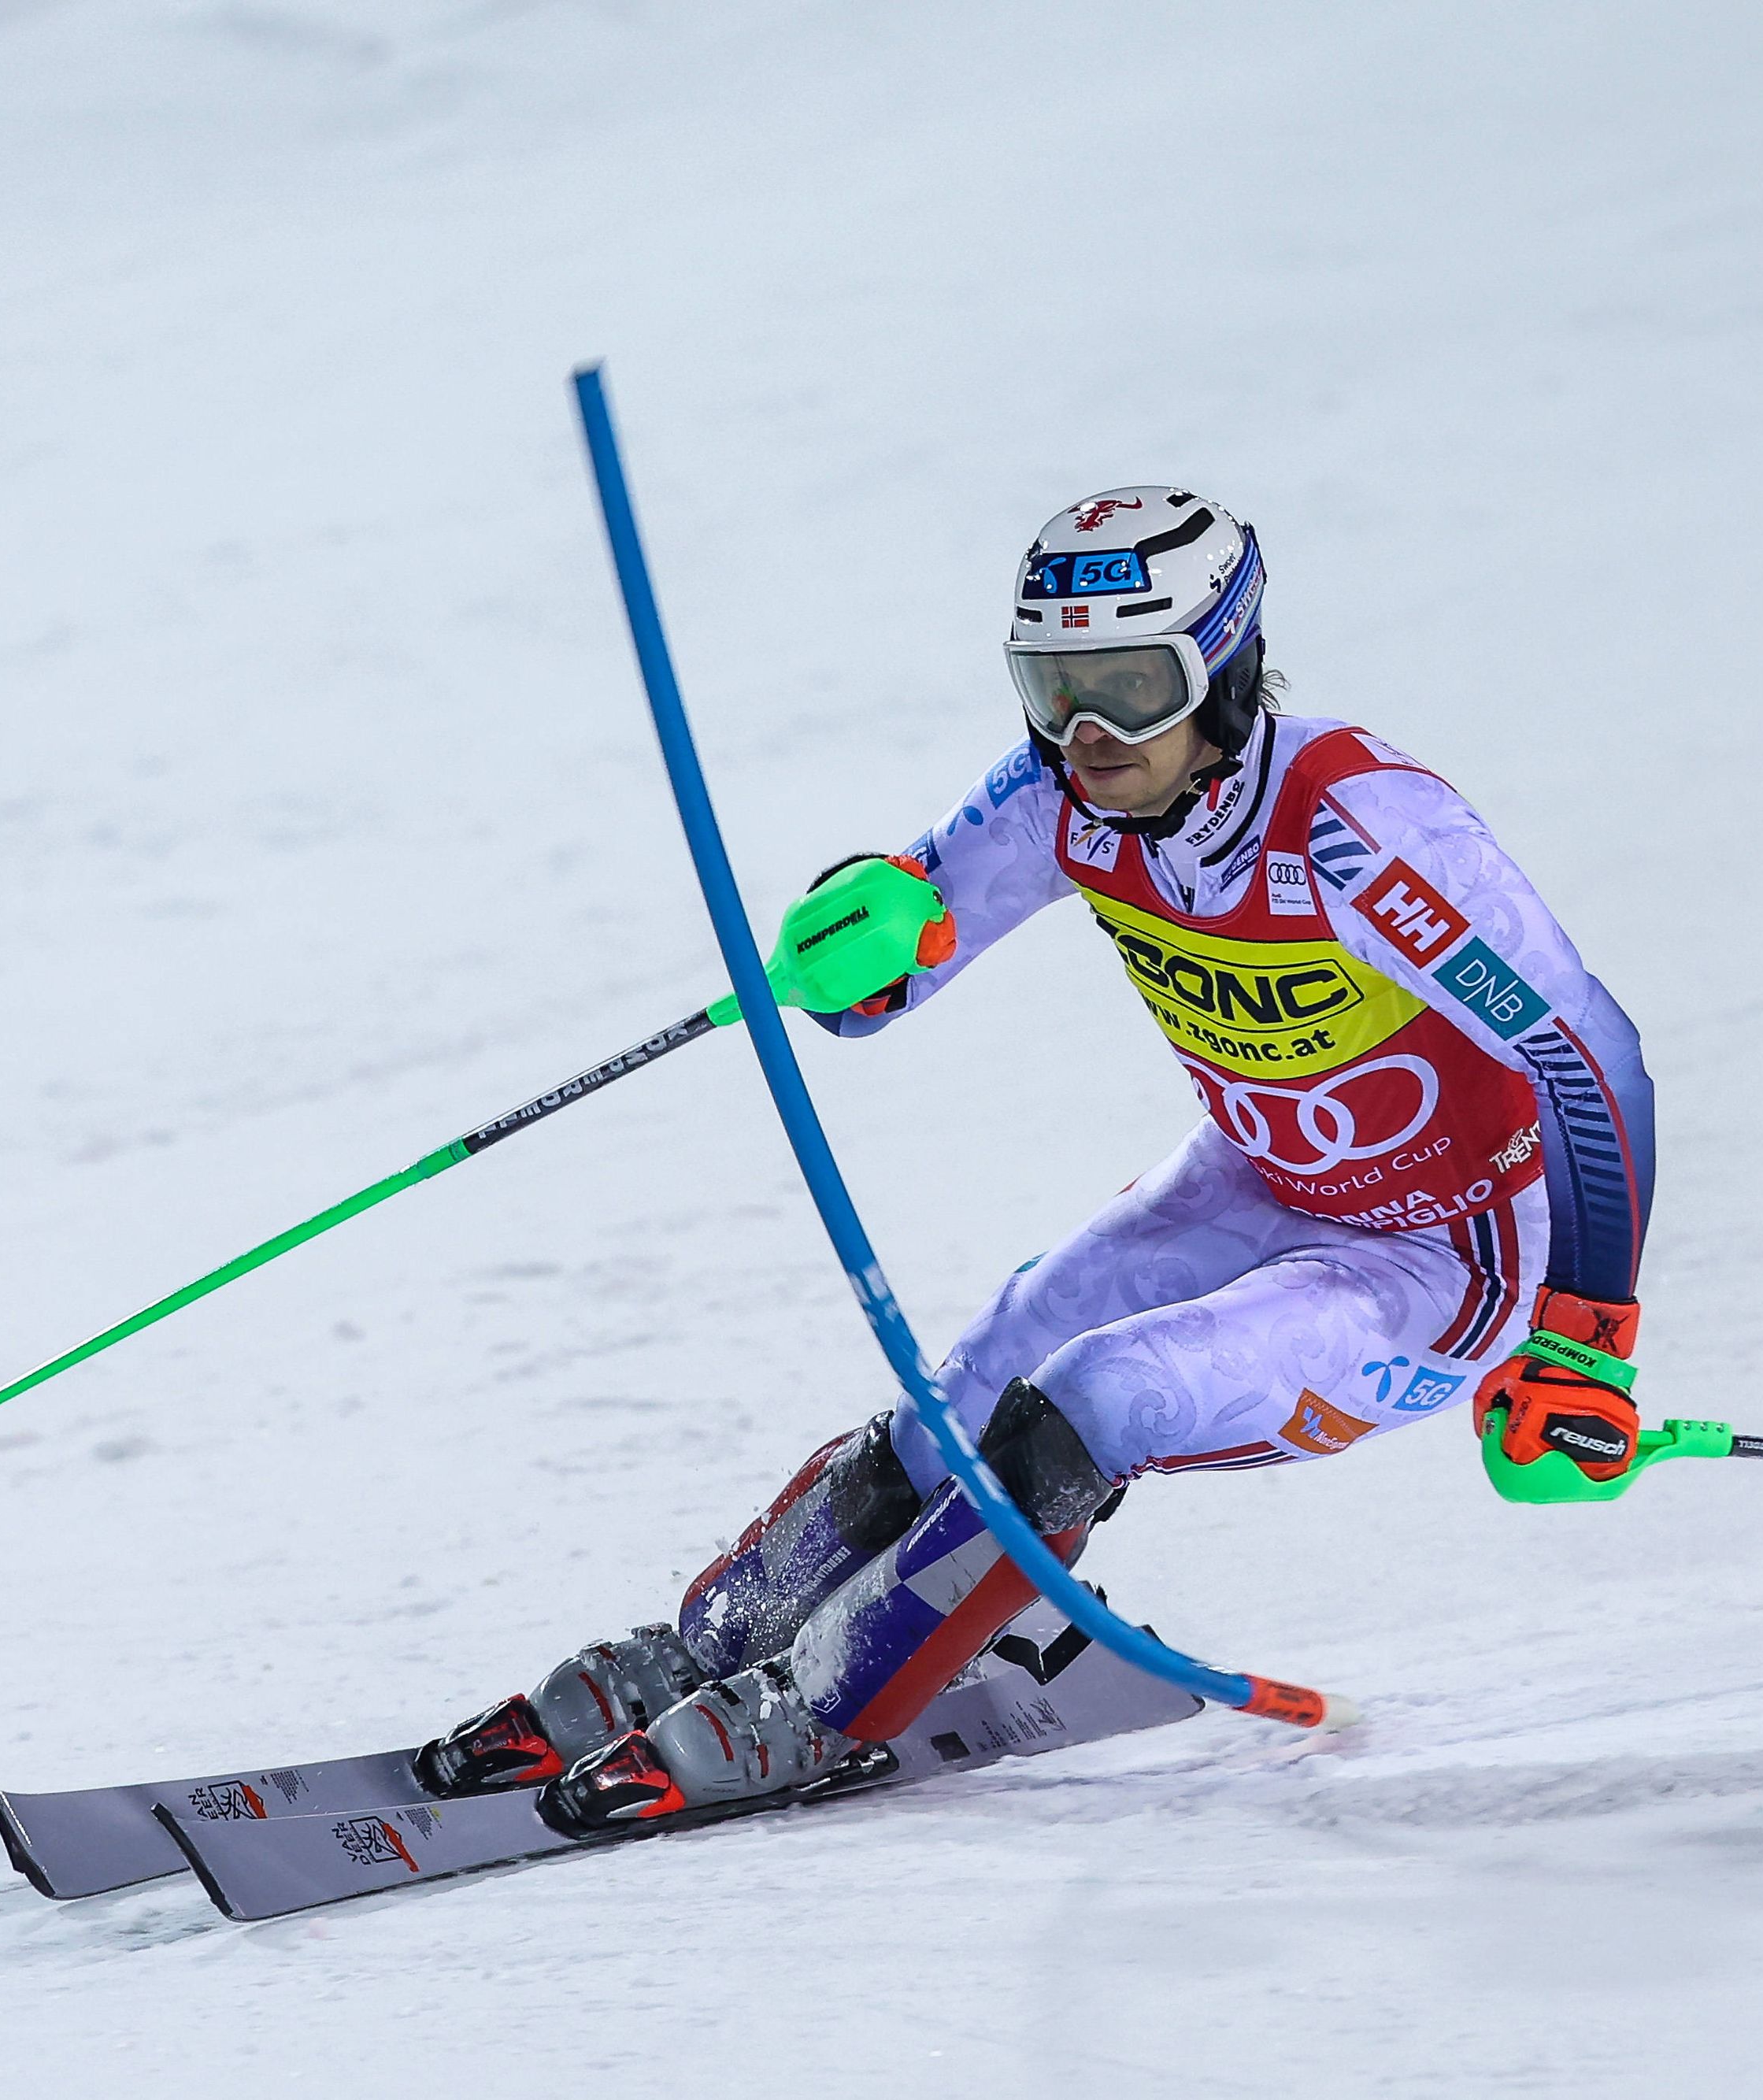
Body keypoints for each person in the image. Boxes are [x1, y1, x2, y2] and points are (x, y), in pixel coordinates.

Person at [418, 487, 1657, 1826]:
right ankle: (712, 1645)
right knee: (972, 1384)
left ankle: (820, 1706)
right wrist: (861, 944)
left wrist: (1586, 1337)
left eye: (1132, 686)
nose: (1089, 732)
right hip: (1260, 1175)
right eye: (1054, 685)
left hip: (1448, 1251)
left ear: (1225, 666)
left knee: (1095, 1400)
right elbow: (894, 963)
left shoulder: (1359, 833)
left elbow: (1590, 1057)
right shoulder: (1058, 797)